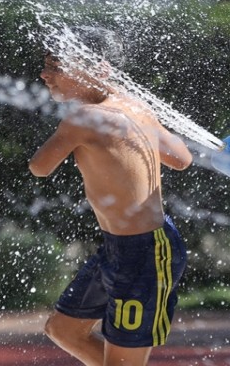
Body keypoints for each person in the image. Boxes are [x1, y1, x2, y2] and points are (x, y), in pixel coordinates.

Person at [29, 26, 193, 366]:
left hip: (147, 253)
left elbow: (39, 167)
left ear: (98, 69)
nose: (45, 74)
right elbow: (181, 158)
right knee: (63, 329)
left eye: (57, 65)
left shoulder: (85, 119)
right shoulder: (133, 107)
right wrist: (141, 123)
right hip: (121, 247)